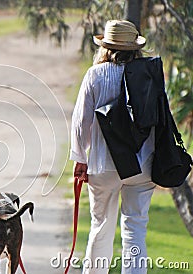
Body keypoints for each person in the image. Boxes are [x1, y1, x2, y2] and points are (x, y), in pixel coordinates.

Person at [70, 20, 156, 274]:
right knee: (136, 228)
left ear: (105, 47)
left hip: (103, 164)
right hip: (143, 164)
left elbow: (80, 122)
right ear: (135, 48)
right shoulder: (150, 75)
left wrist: (80, 158)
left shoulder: (95, 75)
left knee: (101, 227)